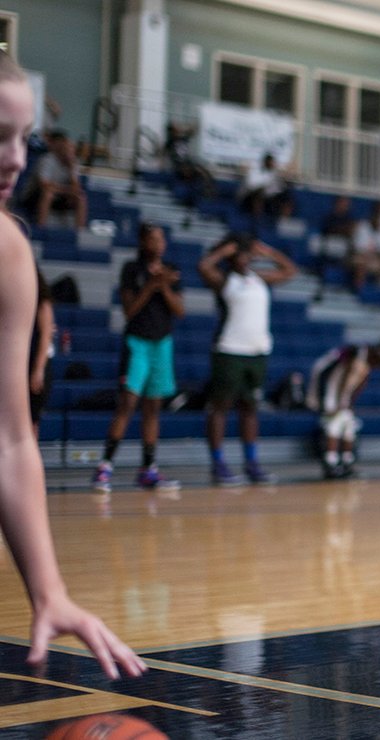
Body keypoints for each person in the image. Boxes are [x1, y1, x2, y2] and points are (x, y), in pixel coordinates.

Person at [0, 47, 146, 681]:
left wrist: (48, 590)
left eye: (23, 138)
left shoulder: (8, 252)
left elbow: (9, 439)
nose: (14, 158)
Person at [91, 223, 186, 493]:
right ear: (143, 242)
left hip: (162, 344)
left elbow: (180, 310)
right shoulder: (132, 269)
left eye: (161, 237)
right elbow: (129, 309)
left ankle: (148, 469)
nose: (159, 243)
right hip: (137, 342)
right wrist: (152, 285)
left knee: (153, 408)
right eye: (153, 238)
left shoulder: (172, 270)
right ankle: (105, 466)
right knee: (128, 403)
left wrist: (164, 287)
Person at [198, 232, 297, 486]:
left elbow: (290, 270)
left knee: (250, 408)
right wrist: (224, 250)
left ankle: (251, 463)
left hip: (257, 353)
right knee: (220, 408)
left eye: (246, 253)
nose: (245, 258)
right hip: (229, 351)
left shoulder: (258, 278)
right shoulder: (224, 280)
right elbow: (203, 266)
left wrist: (267, 251)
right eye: (240, 253)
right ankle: (218, 463)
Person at [306, 337, 380, 479]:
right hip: (329, 385)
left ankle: (346, 462)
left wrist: (348, 402)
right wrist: (337, 402)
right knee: (334, 423)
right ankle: (330, 463)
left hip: (341, 393)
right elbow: (339, 376)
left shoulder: (367, 362)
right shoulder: (357, 353)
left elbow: (356, 386)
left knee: (348, 425)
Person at [28, 129, 87, 229]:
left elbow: (76, 188)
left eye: (72, 150)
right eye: (68, 149)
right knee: (48, 194)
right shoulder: (47, 160)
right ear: (61, 149)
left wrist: (72, 170)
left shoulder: (73, 164)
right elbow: (44, 185)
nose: (70, 152)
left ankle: (80, 232)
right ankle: (41, 228)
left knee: (80, 198)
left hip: (58, 193)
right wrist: (67, 190)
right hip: (35, 194)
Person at [350, 200, 380, 290]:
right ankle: (358, 292)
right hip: (359, 258)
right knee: (361, 265)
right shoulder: (362, 226)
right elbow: (359, 249)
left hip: (374, 259)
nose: (378, 220)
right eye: (376, 217)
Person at [237, 152, 294, 223]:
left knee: (286, 196)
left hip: (269, 196)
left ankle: (284, 221)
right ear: (265, 162)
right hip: (251, 195)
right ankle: (256, 220)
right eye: (270, 162)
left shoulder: (274, 174)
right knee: (258, 194)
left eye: (273, 162)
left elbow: (280, 187)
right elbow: (251, 185)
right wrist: (264, 188)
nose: (272, 164)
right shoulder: (255, 171)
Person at [29, 269, 53, 434]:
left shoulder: (42, 303)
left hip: (34, 363)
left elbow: (46, 337)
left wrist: (38, 370)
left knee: (31, 422)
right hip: (17, 364)